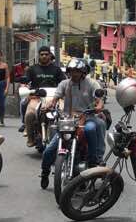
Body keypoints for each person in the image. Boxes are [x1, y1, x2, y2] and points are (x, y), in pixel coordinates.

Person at [39, 58, 106, 190]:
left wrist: (99, 106)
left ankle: (94, 161)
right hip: (68, 120)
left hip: (88, 117)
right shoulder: (64, 84)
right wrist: (49, 105)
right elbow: (55, 98)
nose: (74, 74)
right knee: (49, 150)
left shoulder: (92, 83)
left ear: (83, 72)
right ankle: (45, 172)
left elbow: (100, 100)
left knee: (91, 129)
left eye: (77, 71)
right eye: (72, 71)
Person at [19, 46, 67, 145]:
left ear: (50, 55)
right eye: (42, 54)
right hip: (37, 98)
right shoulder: (32, 69)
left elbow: (64, 83)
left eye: (46, 54)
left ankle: (66, 136)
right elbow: (25, 82)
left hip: (55, 98)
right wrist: (25, 89)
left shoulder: (57, 70)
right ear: (39, 56)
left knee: (63, 114)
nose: (44, 56)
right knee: (29, 114)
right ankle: (30, 138)